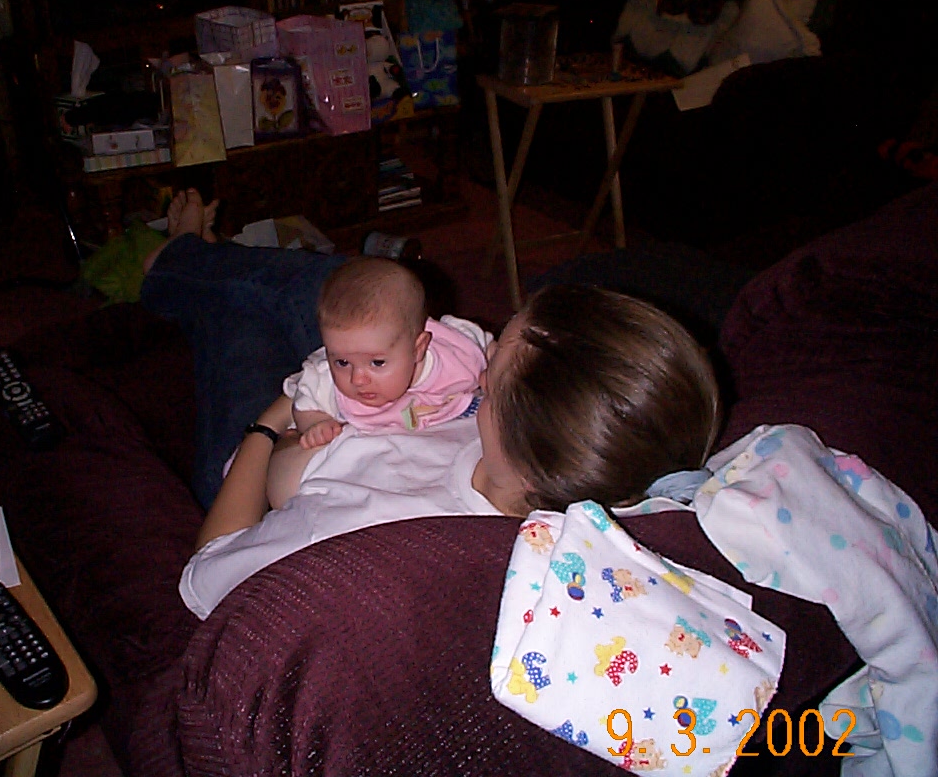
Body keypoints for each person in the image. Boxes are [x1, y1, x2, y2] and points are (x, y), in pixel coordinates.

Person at [141, 199, 720, 618]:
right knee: (350, 288)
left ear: (508, 421)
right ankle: (204, 258)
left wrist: (271, 421)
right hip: (362, 388)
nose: (481, 365)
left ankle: (180, 257)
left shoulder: (360, 531)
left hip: (264, 455)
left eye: (493, 366)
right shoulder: (568, 459)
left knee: (239, 323)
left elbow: (207, 573)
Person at [268, 256, 491, 509]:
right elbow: (304, 403)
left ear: (418, 349)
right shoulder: (324, 378)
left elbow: (490, 349)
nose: (358, 379)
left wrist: (494, 373)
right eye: (342, 362)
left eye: (377, 363)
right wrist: (316, 423)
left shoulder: (456, 352)